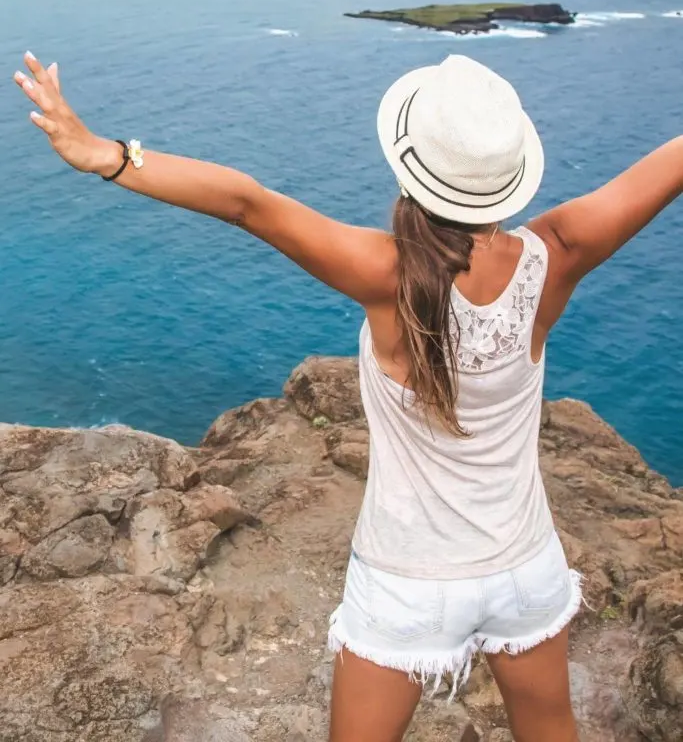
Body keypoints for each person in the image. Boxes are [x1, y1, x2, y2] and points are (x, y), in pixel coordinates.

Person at [13, 50, 683, 742]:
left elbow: (248, 204)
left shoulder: (383, 271)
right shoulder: (560, 251)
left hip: (405, 581)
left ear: (410, 165)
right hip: (524, 567)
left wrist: (105, 155)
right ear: (508, 173)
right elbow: (668, 164)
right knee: (549, 728)